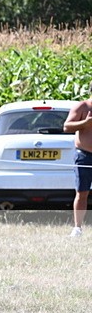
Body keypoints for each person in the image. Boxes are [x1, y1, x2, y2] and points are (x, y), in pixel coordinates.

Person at [62, 87, 92, 237]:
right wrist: (84, 124)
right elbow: (67, 126)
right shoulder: (82, 107)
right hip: (85, 155)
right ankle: (77, 228)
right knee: (82, 192)